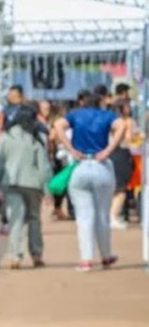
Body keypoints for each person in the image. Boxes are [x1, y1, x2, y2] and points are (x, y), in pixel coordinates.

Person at [54, 92, 126, 272]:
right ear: (101, 102)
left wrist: (70, 148)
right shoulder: (107, 115)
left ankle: (86, 259)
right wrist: (109, 149)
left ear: (83, 103)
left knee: (84, 216)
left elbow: (58, 125)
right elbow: (122, 126)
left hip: (80, 165)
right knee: (102, 215)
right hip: (102, 164)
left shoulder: (75, 115)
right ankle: (106, 255)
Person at [0, 105, 53, 269]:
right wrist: (47, 190)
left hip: (11, 183)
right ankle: (36, 254)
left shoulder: (5, 137)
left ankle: (15, 256)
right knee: (34, 218)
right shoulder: (38, 137)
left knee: (16, 219)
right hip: (34, 184)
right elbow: (44, 166)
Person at [109, 99, 135, 229]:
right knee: (121, 189)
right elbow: (129, 139)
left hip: (110, 153)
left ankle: (111, 216)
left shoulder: (110, 121)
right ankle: (113, 217)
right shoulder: (127, 122)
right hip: (123, 153)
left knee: (114, 187)